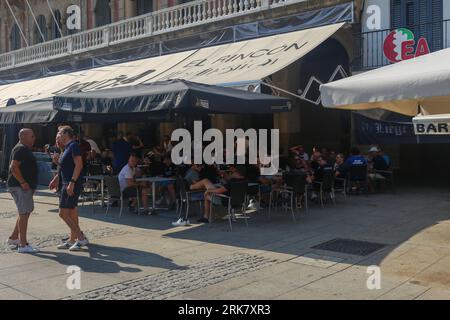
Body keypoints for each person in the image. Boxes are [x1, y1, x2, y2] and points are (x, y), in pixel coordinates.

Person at [49, 126, 89, 251]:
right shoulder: (67, 148)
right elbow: (67, 167)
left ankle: (80, 238)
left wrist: (71, 183)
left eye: (60, 133)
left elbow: (79, 165)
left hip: (70, 184)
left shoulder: (73, 146)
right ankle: (73, 239)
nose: (58, 135)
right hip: (67, 182)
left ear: (66, 134)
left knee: (63, 213)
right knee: (71, 213)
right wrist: (57, 163)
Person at [6, 129, 39, 253]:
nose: (34, 138)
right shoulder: (21, 149)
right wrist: (23, 182)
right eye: (32, 136)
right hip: (19, 186)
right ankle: (23, 245)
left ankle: (14, 238)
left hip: (22, 186)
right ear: (23, 137)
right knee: (24, 213)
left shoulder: (22, 148)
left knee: (24, 212)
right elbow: (13, 168)